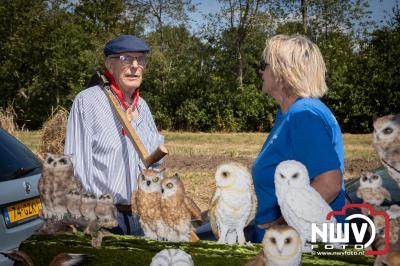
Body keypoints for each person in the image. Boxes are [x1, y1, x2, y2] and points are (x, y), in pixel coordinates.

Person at [64, 35, 164, 235]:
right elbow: (76, 165)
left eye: (140, 59)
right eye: (126, 59)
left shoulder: (143, 107)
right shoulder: (87, 102)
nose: (135, 66)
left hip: (143, 215)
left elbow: (155, 164)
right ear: (110, 65)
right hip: (106, 216)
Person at [252, 34, 345, 242]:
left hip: (298, 246)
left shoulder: (304, 115)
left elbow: (329, 183)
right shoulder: (290, 113)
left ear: (282, 71)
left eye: (264, 64)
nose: (261, 71)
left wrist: (282, 225)